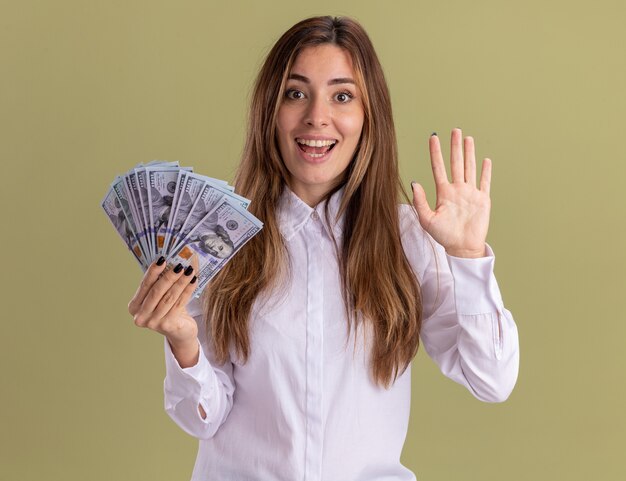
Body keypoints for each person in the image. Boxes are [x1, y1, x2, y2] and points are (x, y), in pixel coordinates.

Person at [127, 15, 519, 481]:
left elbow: (491, 380)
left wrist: (469, 258)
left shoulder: (409, 240)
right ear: (269, 111)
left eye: (342, 95)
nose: (317, 116)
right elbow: (201, 417)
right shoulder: (217, 238)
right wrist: (183, 340)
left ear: (368, 115)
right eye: (296, 93)